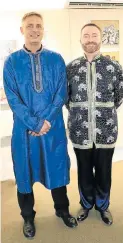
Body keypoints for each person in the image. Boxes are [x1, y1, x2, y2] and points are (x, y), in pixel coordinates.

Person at [3, 12, 78, 239]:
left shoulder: (56, 59)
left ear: (43, 30)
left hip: (52, 128)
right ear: (22, 30)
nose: (35, 30)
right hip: (25, 131)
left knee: (55, 167)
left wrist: (45, 121)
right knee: (25, 173)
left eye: (38, 26)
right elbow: (13, 98)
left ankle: (62, 210)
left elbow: (61, 93)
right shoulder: (11, 62)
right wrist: (35, 122)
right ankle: (27, 216)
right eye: (30, 26)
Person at [66, 23, 123, 226]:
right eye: (86, 35)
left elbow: (119, 96)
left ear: (100, 39)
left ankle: (103, 206)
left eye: (94, 35)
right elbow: (66, 98)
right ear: (81, 39)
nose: (90, 39)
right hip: (79, 130)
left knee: (104, 170)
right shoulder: (71, 67)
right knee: (83, 170)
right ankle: (86, 204)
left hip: (106, 131)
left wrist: (101, 112)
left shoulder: (113, 67)